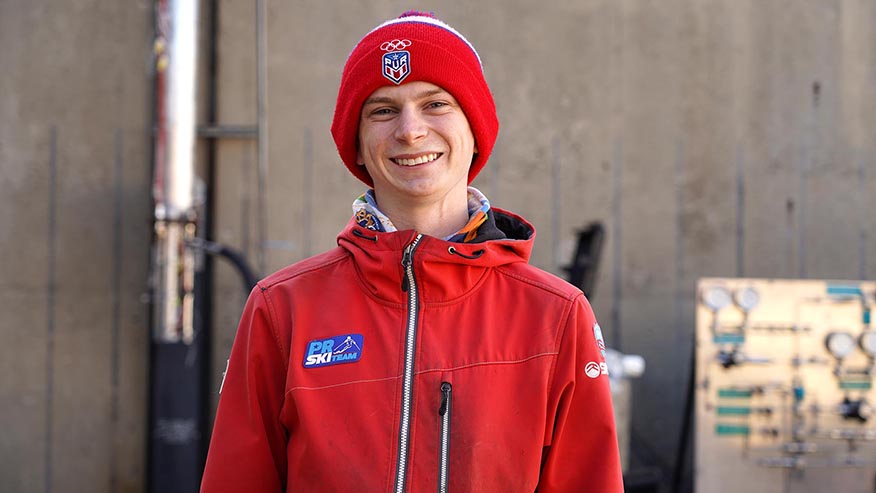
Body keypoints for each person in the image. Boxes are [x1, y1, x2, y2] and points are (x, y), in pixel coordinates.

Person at [201, 10, 623, 493]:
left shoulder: (556, 316)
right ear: (356, 144)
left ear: (476, 128)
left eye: (435, 104)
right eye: (382, 110)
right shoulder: (282, 310)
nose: (410, 130)